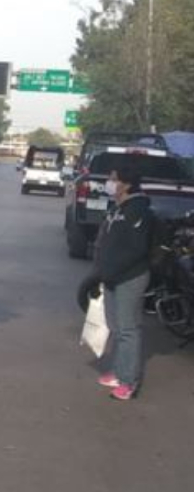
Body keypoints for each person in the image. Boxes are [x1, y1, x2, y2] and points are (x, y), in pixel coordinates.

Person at [94, 166, 153, 400]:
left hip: (130, 277)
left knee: (128, 329)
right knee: (115, 326)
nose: (109, 182)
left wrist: (113, 270)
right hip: (111, 276)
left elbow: (136, 249)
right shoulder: (117, 208)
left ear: (126, 184)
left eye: (114, 179)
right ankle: (118, 372)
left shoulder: (138, 210)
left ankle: (128, 381)